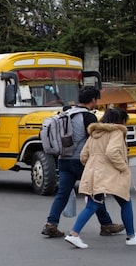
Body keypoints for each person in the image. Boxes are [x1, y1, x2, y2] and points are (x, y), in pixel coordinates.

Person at [41, 86, 124, 238]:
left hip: (63, 159)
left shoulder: (67, 113)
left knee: (63, 193)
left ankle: (51, 223)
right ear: (93, 100)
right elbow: (94, 140)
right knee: (96, 191)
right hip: (80, 160)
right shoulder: (89, 117)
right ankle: (106, 224)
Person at [64, 108, 136, 249]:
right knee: (125, 201)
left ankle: (74, 234)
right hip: (110, 175)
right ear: (120, 120)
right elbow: (112, 152)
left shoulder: (94, 133)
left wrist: (94, 166)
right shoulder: (116, 132)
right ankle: (131, 236)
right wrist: (123, 167)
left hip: (94, 174)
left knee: (94, 204)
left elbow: (83, 156)